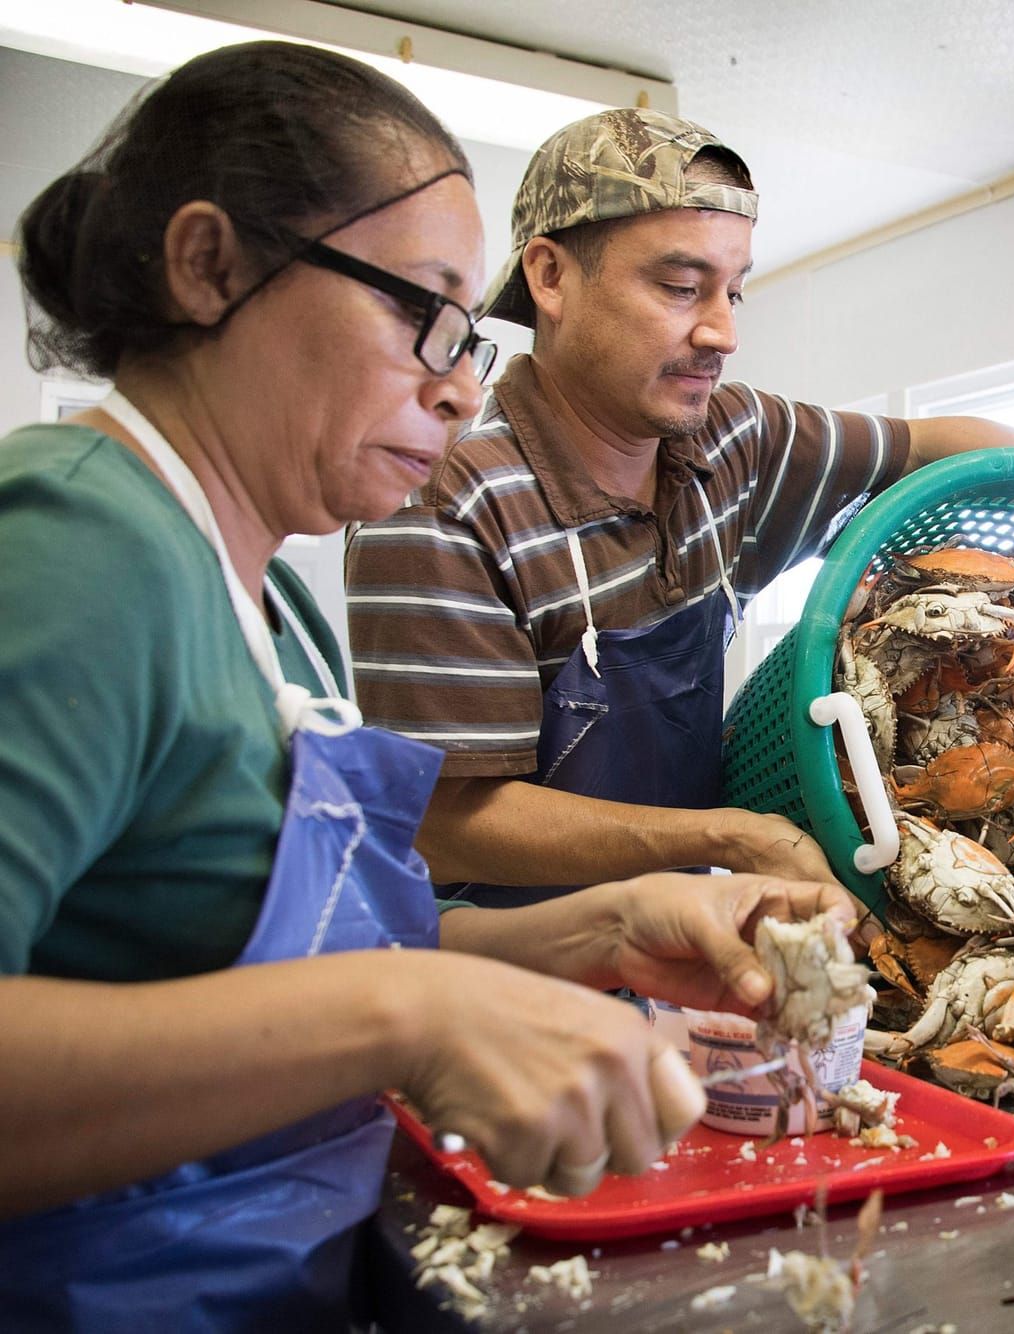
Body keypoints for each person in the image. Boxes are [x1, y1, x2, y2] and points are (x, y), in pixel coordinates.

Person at [0, 45, 850, 1330]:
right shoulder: (76, 549)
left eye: (469, 335)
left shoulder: (271, 603)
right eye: (423, 314)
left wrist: (600, 929)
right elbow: (366, 991)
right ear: (210, 265)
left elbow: (281, 959)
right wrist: (405, 1012)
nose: (460, 385)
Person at [344, 108, 1014, 910]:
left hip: (683, 939)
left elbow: (925, 445)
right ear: (550, 275)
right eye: (679, 286)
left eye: (734, 290)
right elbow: (445, 820)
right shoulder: (443, 502)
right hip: (496, 985)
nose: (722, 332)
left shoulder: (730, 441)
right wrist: (728, 836)